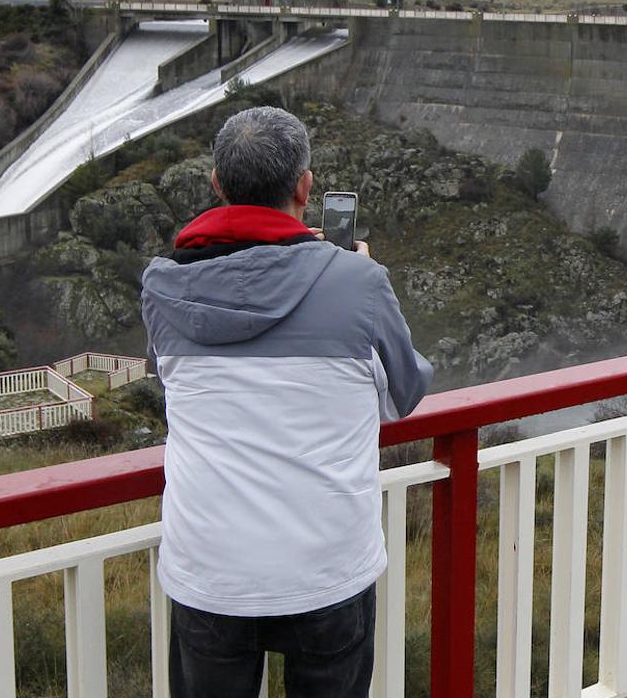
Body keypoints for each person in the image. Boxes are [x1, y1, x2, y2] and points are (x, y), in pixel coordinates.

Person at [140, 106, 433, 698]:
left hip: (210, 571)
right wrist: (359, 279)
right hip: (327, 569)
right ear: (305, 187)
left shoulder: (162, 284)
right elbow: (405, 395)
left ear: (218, 186)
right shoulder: (358, 282)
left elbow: (179, 386)